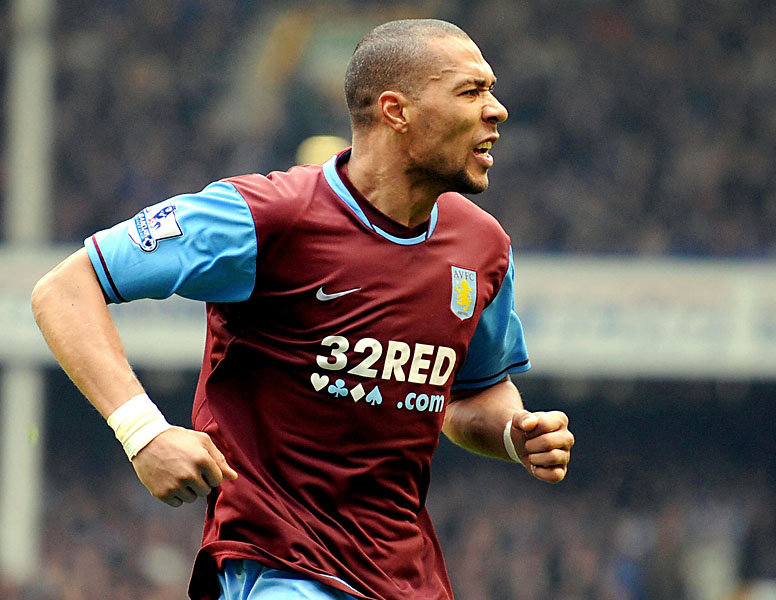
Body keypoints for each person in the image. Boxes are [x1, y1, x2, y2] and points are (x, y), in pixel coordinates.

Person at [32, 18, 574, 600]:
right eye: (471, 91)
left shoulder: (483, 247)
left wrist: (516, 433)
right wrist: (142, 431)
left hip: (407, 579)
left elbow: (471, 397)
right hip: (280, 569)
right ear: (396, 111)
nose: (497, 110)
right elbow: (65, 289)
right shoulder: (265, 217)